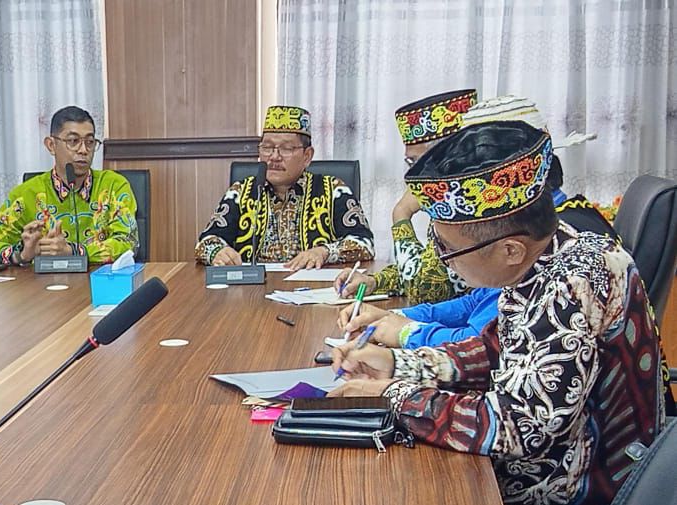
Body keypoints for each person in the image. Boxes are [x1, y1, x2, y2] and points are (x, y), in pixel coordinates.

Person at [329, 121, 668, 505]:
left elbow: (515, 428)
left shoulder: (571, 287)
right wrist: (401, 363)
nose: (442, 259)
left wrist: (394, 395)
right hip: (539, 472)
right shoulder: (556, 247)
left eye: (447, 249)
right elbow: (499, 346)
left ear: (510, 249)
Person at [334, 96, 617, 348]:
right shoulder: (539, 226)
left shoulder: (560, 264)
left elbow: (485, 350)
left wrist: (408, 334)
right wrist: (397, 318)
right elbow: (479, 304)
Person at [195, 105, 375, 269]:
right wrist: (217, 252)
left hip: (312, 291)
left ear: (307, 156)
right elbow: (206, 241)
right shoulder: (241, 192)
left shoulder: (333, 190)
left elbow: (364, 243)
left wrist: (323, 252)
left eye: (286, 149)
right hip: (251, 293)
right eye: (267, 147)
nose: (274, 157)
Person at [0, 106, 138, 266]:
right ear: (51, 145)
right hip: (43, 290)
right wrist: (20, 254)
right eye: (73, 141)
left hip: (99, 286)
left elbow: (128, 243)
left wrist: (73, 251)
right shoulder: (27, 194)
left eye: (90, 142)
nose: (83, 150)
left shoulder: (113, 186)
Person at [367, 89, 478, 304]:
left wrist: (401, 214)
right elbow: (427, 268)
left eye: (415, 162)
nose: (411, 174)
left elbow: (425, 290)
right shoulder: (446, 198)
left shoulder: (471, 203)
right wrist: (375, 281)